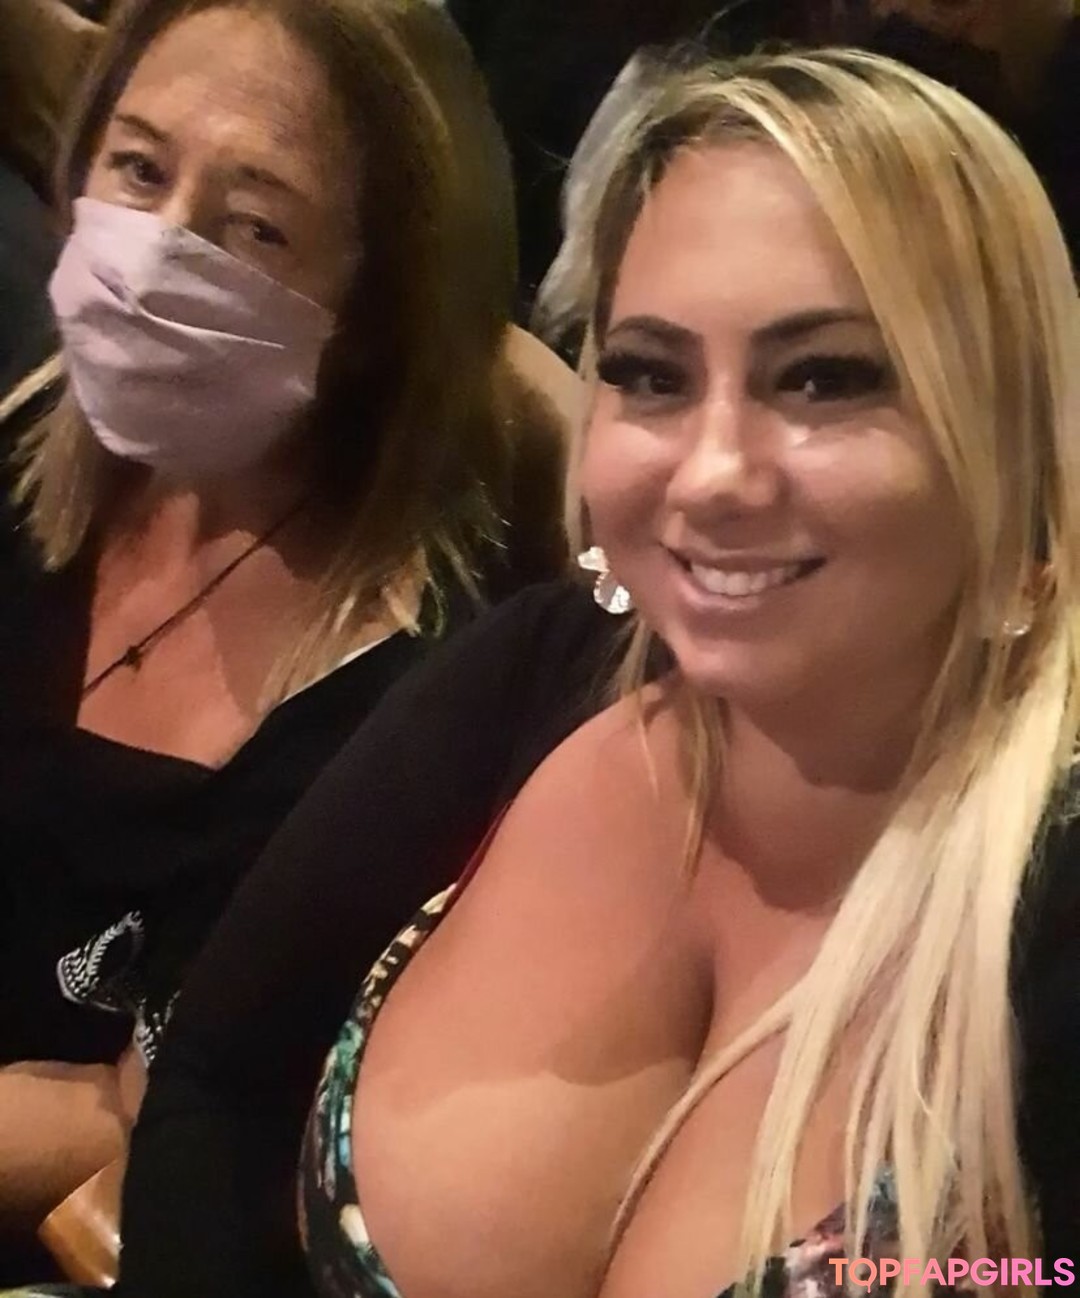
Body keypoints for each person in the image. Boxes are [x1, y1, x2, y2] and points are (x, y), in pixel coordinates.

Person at [79, 42, 1080, 1298]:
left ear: (1007, 429)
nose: (710, 474)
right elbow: (221, 1089)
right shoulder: (532, 672)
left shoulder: (1048, 913)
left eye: (826, 378)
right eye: (651, 375)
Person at [0, 0, 572, 1272]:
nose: (152, 251)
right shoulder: (32, 445)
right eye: (138, 167)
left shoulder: (406, 702)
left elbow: (146, 1108)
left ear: (375, 310)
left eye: (255, 226)